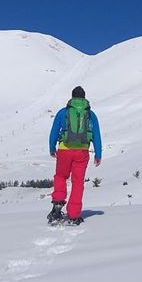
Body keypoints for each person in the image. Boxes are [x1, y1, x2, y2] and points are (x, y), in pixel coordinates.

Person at [48, 86, 102, 224]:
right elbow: (96, 135)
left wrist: (52, 147)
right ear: (84, 97)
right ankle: (74, 214)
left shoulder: (63, 112)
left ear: (72, 97)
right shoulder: (91, 114)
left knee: (60, 176)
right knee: (77, 183)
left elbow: (54, 131)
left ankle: (58, 202)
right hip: (82, 152)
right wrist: (98, 154)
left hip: (64, 150)